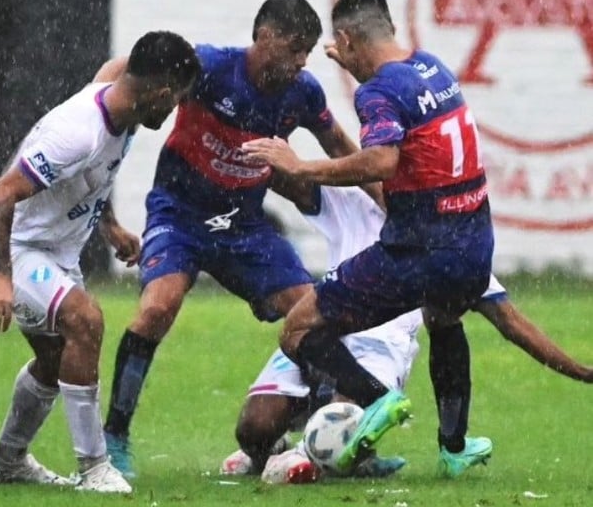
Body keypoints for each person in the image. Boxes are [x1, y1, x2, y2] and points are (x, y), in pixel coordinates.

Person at [99, 0, 371, 479]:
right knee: (157, 308)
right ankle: (114, 437)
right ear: (263, 37)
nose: (300, 61)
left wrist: (390, 200)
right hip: (178, 214)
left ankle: (327, 441)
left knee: (314, 310)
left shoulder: (303, 93)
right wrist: (94, 109)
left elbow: (342, 150)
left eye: (307, 50)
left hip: (242, 224)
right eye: (294, 48)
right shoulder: (209, 67)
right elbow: (123, 68)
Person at [241, 0, 495, 476]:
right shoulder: (434, 69)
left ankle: (377, 402)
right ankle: (454, 445)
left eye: (341, 52)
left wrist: (302, 165)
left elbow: (381, 160)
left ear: (345, 38)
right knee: (444, 319)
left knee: (298, 329)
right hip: (473, 244)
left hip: (416, 249)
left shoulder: (377, 90)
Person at [221, 185, 593, 483]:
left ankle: (323, 453)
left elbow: (511, 322)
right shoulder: (352, 204)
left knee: (335, 434)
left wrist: (581, 371)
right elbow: (304, 175)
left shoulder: (445, 248)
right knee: (253, 430)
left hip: (379, 350)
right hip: (315, 335)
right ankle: (282, 445)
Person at [0, 30, 200, 494]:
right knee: (86, 320)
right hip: (16, 249)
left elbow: (99, 169)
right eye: (174, 100)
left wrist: (109, 224)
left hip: (55, 251)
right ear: (159, 93)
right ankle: (94, 467)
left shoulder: (125, 95)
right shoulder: (77, 134)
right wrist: (1, 276)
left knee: (58, 360)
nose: (173, 109)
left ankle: (7, 460)